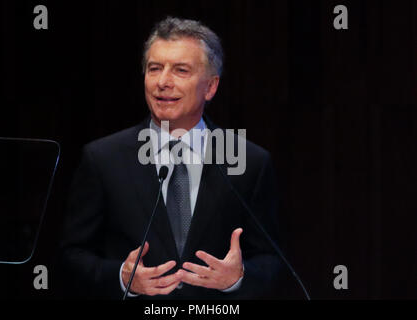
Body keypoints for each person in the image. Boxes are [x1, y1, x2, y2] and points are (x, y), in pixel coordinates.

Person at [59, 17, 283, 299]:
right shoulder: (103, 159)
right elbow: (71, 256)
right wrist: (121, 277)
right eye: (154, 69)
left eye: (180, 70)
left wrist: (236, 279)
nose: (163, 82)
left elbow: (272, 261)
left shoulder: (249, 162)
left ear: (211, 87)